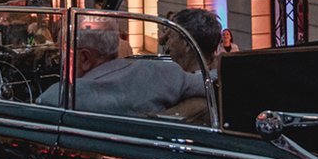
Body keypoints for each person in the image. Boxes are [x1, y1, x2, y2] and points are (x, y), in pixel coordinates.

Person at [36, 20, 199, 117]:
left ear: (85, 58)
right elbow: (212, 85)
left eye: (65, 51)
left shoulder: (58, 98)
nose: (61, 59)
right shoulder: (165, 73)